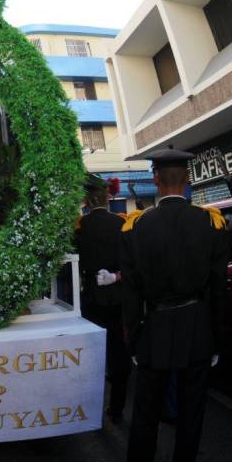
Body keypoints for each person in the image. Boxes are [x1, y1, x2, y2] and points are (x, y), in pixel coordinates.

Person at [121, 148, 227, 462]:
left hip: (153, 330)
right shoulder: (210, 223)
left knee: (144, 418)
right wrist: (215, 339)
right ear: (188, 180)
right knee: (191, 417)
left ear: (155, 179)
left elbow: (130, 291)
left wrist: (133, 338)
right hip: (196, 329)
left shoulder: (135, 226)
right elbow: (217, 289)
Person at [77, 173, 129, 423]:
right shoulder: (122, 223)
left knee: (91, 356)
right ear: (109, 197)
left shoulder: (79, 226)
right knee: (120, 354)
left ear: (87, 199)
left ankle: (90, 408)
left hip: (90, 297)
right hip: (118, 297)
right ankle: (116, 407)